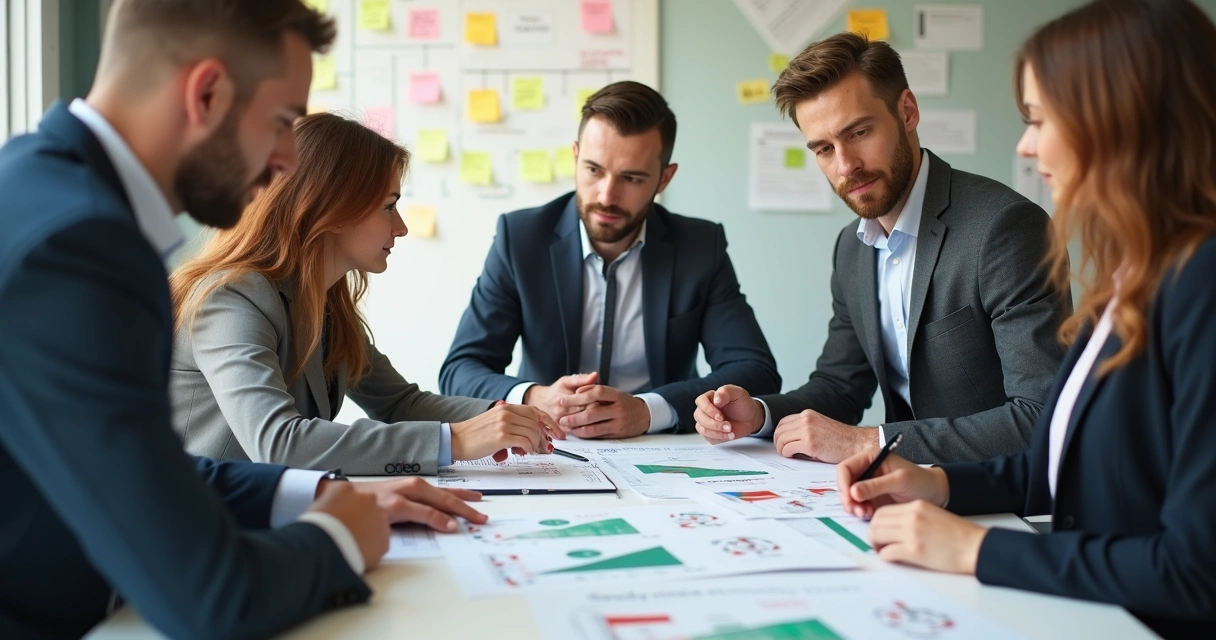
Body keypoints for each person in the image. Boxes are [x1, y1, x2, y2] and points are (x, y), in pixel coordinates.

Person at [0, 2, 486, 638]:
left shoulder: (42, 194)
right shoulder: (81, 247)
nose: (288, 160)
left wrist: (307, 496)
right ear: (206, 93)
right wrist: (338, 537)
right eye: (283, 122)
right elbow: (210, 600)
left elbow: (143, 467)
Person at [835, 1, 1216, 637]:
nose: (1025, 144)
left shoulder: (1201, 284)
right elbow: (1060, 461)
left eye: (1040, 119)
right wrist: (936, 484)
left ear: (1120, 123)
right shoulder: (1132, 274)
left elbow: (1195, 570)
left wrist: (974, 550)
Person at [693, 33, 1069, 464]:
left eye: (859, 132)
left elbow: (1042, 415)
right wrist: (758, 415)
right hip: (906, 494)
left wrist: (869, 443)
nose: (845, 165)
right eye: (823, 149)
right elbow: (839, 388)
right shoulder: (851, 250)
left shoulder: (1002, 228)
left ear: (907, 111)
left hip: (1000, 501)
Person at [169, 112, 560, 475]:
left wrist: (511, 412)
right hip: (203, 526)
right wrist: (456, 440)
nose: (402, 227)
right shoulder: (230, 300)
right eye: (388, 207)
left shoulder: (326, 305)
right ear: (333, 209)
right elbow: (278, 443)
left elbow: (399, 404)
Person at [439, 81, 781, 439]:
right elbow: (460, 369)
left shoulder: (699, 247)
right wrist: (534, 397)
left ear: (665, 178)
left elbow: (755, 369)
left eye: (631, 178)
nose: (606, 195)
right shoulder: (521, 239)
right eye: (593, 170)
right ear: (575, 157)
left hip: (661, 449)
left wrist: (649, 410)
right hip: (547, 445)